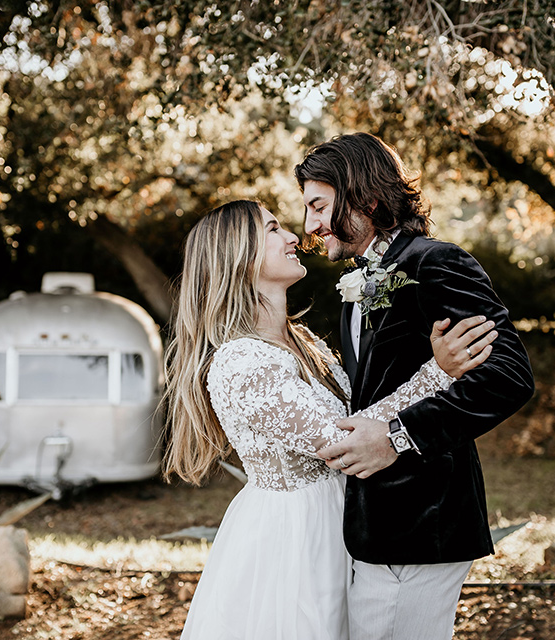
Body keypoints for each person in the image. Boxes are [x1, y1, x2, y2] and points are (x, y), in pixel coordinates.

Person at [163, 200, 496, 639]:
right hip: (296, 541)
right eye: (273, 229)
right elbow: (343, 442)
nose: (293, 237)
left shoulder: (301, 341)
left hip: (343, 523)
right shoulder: (242, 362)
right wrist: (436, 374)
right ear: (237, 257)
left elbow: (358, 416)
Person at [295, 132, 535, 640]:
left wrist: (397, 435)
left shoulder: (435, 263)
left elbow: (509, 376)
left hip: (424, 520)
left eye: (319, 206)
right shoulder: (356, 285)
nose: (310, 226)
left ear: (366, 199)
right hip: (378, 524)